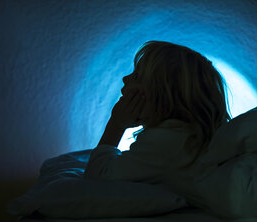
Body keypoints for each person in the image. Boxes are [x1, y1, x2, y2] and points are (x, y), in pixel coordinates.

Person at [83, 40, 231, 205]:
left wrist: (116, 124)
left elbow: (96, 177)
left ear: (161, 94)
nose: (125, 79)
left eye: (137, 76)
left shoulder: (167, 142)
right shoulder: (188, 136)